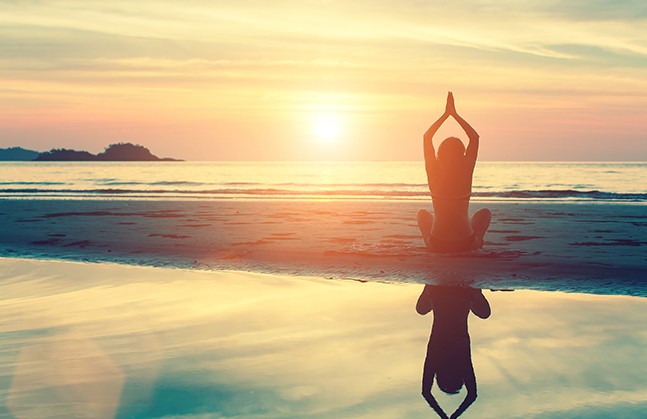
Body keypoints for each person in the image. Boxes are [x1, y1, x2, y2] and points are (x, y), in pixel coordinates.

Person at [418, 92, 491, 252]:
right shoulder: (466, 170)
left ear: (440, 153)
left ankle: (428, 242)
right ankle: (477, 241)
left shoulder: (433, 170)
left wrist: (445, 115)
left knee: (422, 215)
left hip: (437, 244)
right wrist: (455, 115)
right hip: (466, 243)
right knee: (484, 214)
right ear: (462, 153)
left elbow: (427, 137)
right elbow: (474, 138)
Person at [416, 285, 491, 419]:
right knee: (420, 310)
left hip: (464, 295)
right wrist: (444, 416)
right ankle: (429, 286)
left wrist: (453, 416)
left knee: (485, 314)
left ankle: (475, 290)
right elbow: (426, 393)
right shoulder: (434, 360)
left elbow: (472, 395)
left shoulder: (463, 363)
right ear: (438, 376)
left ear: (460, 376)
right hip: (438, 294)